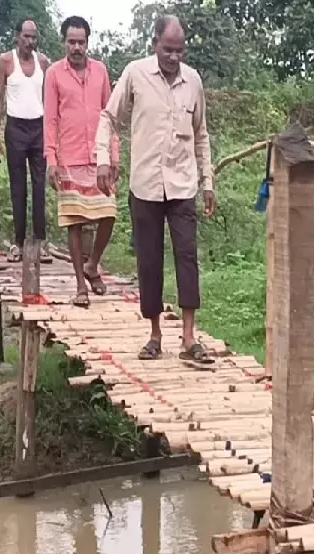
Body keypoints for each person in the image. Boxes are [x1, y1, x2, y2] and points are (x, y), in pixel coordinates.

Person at [95, 15, 216, 364]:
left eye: (179, 50)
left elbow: (201, 134)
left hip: (182, 185)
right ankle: (154, 335)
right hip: (145, 185)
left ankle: (190, 337)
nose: (174, 57)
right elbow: (108, 117)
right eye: (168, 49)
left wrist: (207, 182)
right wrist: (103, 158)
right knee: (149, 260)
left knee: (187, 257)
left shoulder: (193, 81)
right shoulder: (135, 74)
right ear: (154, 44)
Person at [44, 15, 118, 306]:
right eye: (71, 42)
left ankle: (92, 265)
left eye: (81, 42)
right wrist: (51, 159)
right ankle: (79, 285)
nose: (76, 47)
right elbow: (50, 120)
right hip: (69, 158)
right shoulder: (54, 74)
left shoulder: (100, 71)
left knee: (108, 213)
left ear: (88, 43)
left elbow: (109, 116)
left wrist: (113, 156)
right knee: (74, 223)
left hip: (98, 157)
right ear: (64, 42)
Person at [0, 18, 52, 264]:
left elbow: (50, 100)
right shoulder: (6, 61)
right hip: (15, 128)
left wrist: (53, 134)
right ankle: (18, 243)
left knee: (39, 186)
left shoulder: (44, 62)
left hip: (39, 127)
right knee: (18, 186)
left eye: (33, 37)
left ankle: (40, 242)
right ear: (17, 36)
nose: (30, 41)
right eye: (26, 36)